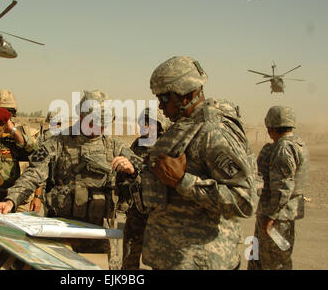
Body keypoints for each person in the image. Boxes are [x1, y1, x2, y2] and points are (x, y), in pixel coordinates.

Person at [0, 90, 141, 269]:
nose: (99, 129)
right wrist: (11, 200)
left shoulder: (114, 146)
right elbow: (33, 174)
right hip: (60, 230)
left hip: (98, 233)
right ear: (81, 116)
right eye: (94, 123)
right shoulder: (57, 143)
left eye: (104, 124)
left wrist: (132, 171)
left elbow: (144, 173)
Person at [140, 56, 260, 269]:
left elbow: (244, 200)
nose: (160, 106)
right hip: (175, 258)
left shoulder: (213, 131)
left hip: (201, 261)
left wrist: (182, 181)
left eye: (165, 98)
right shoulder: (186, 126)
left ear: (186, 94)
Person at [248, 106, 309, 270]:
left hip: (276, 219)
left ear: (271, 126)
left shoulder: (283, 148)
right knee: (256, 259)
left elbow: (283, 188)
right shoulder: (297, 144)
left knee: (274, 264)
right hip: (277, 216)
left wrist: (270, 216)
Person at [121, 107, 170, 270]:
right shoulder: (138, 144)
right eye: (143, 122)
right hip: (137, 211)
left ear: (160, 125)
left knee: (160, 261)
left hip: (159, 214)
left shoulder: (167, 147)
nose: (145, 126)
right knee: (129, 259)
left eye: (149, 123)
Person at [0, 89, 43, 214]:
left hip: (22, 199)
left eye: (8, 112)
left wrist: (37, 196)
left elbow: (39, 165)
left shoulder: (28, 135)